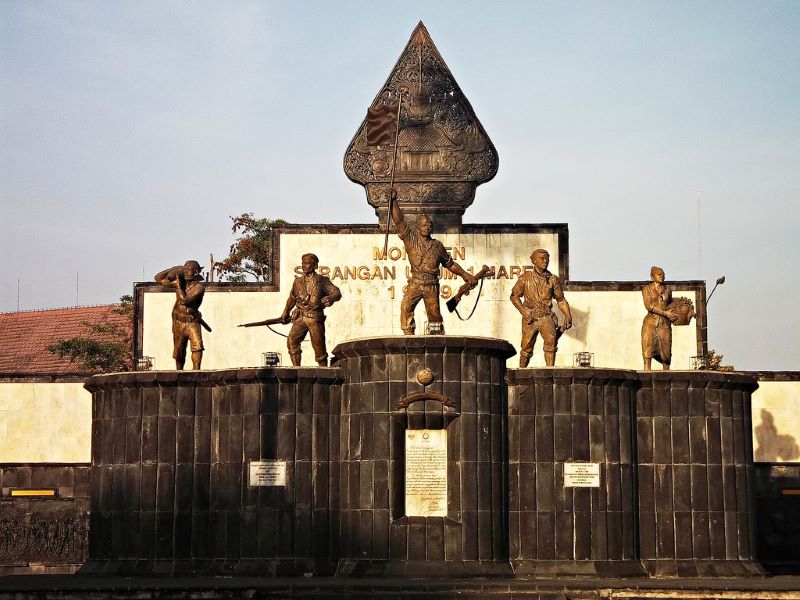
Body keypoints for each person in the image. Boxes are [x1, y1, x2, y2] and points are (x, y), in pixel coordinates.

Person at [390, 198, 476, 334]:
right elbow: (399, 221)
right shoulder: (410, 240)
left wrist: (465, 275)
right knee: (405, 306)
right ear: (418, 227)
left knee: (435, 315)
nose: (427, 227)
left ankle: (436, 338)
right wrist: (393, 201)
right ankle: (408, 335)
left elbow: (450, 264)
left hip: (431, 285)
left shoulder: (438, 246)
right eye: (424, 225)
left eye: (429, 225)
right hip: (416, 283)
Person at [510, 249, 572, 367]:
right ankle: (521, 371)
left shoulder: (553, 279)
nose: (545, 261)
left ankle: (550, 371)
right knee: (526, 347)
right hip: (530, 317)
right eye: (542, 258)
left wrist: (568, 315)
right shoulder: (525, 277)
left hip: (546, 316)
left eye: (547, 258)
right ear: (534, 260)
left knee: (551, 344)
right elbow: (514, 296)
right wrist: (523, 311)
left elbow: (561, 300)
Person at [280, 253, 341, 366]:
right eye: (303, 263)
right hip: (300, 317)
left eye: (307, 263)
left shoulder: (322, 281)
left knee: (319, 348)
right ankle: (296, 369)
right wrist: (285, 312)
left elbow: (337, 292)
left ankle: (324, 371)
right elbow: (292, 298)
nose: (304, 265)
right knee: (292, 340)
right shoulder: (297, 282)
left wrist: (331, 298)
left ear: (315, 265)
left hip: (314, 317)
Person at [155, 260, 207, 370]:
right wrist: (173, 269)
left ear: (196, 273)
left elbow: (185, 301)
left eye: (189, 270)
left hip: (192, 321)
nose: (186, 272)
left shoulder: (199, 287)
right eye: (185, 270)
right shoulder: (181, 283)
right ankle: (179, 372)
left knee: (197, 346)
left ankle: (196, 371)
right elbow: (158, 278)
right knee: (179, 350)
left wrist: (178, 286)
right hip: (178, 320)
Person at [641, 266, 677, 370]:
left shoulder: (667, 290)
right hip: (650, 323)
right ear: (652, 277)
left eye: (663, 274)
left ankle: (666, 377)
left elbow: (672, 305)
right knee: (647, 351)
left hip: (664, 325)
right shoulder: (646, 289)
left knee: (666, 356)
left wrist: (686, 311)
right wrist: (665, 313)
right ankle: (646, 375)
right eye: (659, 274)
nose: (662, 275)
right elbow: (649, 306)